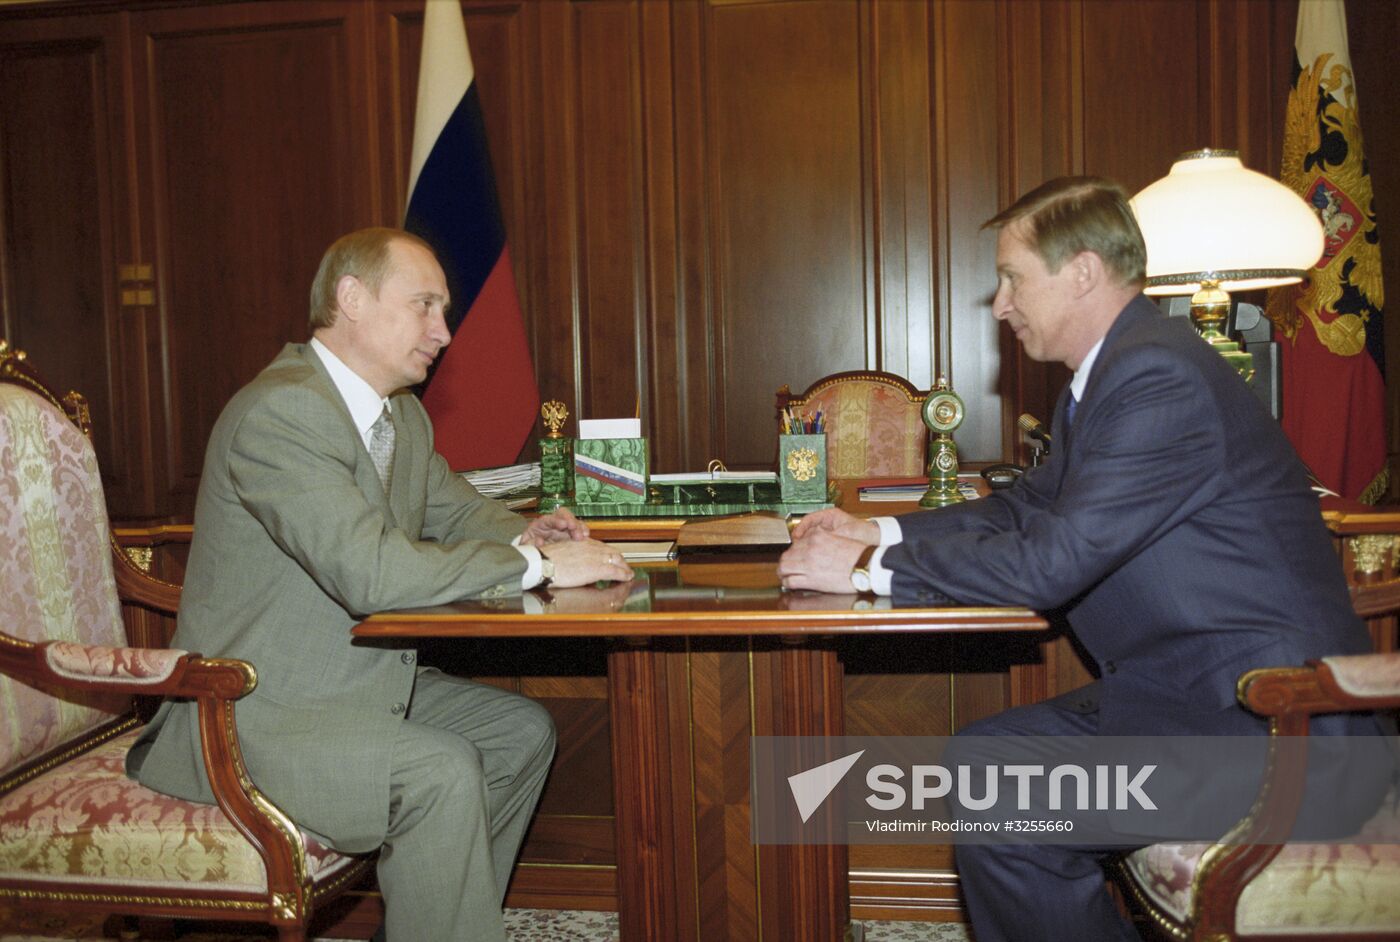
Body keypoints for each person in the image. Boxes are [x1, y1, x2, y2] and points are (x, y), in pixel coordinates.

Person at [776, 178, 1387, 940]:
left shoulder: (1156, 377)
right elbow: (1028, 507)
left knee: (1003, 793)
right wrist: (881, 535)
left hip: (1271, 729)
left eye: (1011, 278)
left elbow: (1051, 563)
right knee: (982, 758)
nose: (999, 305)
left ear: (1084, 272)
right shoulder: (1111, 377)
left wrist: (866, 577)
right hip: (1195, 696)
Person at [126, 227, 633, 941]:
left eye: (445, 311)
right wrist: (538, 570)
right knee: (442, 770)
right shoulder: (282, 413)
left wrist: (530, 534)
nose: (445, 332)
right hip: (248, 711)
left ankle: (436, 924)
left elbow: (456, 511)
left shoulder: (401, 417)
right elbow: (369, 573)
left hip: (354, 683)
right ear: (351, 299)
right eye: (425, 305)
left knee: (518, 733)